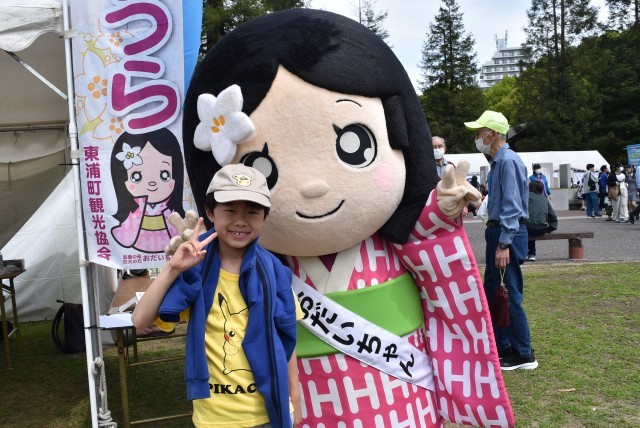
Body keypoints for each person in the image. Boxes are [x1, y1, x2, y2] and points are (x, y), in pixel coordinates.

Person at [181, 9, 514, 427]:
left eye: (354, 144)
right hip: (307, 387)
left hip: (399, 387)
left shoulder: (387, 236)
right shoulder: (261, 262)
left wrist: (438, 211)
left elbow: (425, 241)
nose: (313, 186)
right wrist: (201, 252)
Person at [132, 164, 302, 428]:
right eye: (230, 210)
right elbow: (140, 320)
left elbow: (285, 341)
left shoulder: (275, 275)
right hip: (215, 418)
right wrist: (173, 268)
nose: (240, 221)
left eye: (253, 212)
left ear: (264, 217)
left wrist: (295, 396)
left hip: (271, 412)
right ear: (210, 213)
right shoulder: (194, 273)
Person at [465, 110, 538, 371]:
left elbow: (512, 206)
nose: (477, 138)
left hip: (506, 233)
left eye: (479, 132)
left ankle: (524, 354)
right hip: (498, 231)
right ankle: (504, 346)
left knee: (509, 292)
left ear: (493, 133)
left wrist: (504, 243)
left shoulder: (507, 161)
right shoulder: (499, 162)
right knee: (496, 290)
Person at [110, 129, 185, 253]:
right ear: (123, 180)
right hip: (138, 243)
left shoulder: (169, 212)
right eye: (137, 176)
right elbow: (126, 236)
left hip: (169, 245)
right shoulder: (134, 212)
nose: (152, 183)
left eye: (164, 175)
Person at [525, 181, 558, 261]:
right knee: (532, 227)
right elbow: (552, 216)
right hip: (541, 228)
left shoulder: (525, 197)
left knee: (526, 228)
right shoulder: (544, 199)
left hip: (527, 228)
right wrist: (551, 228)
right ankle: (532, 254)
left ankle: (527, 253)